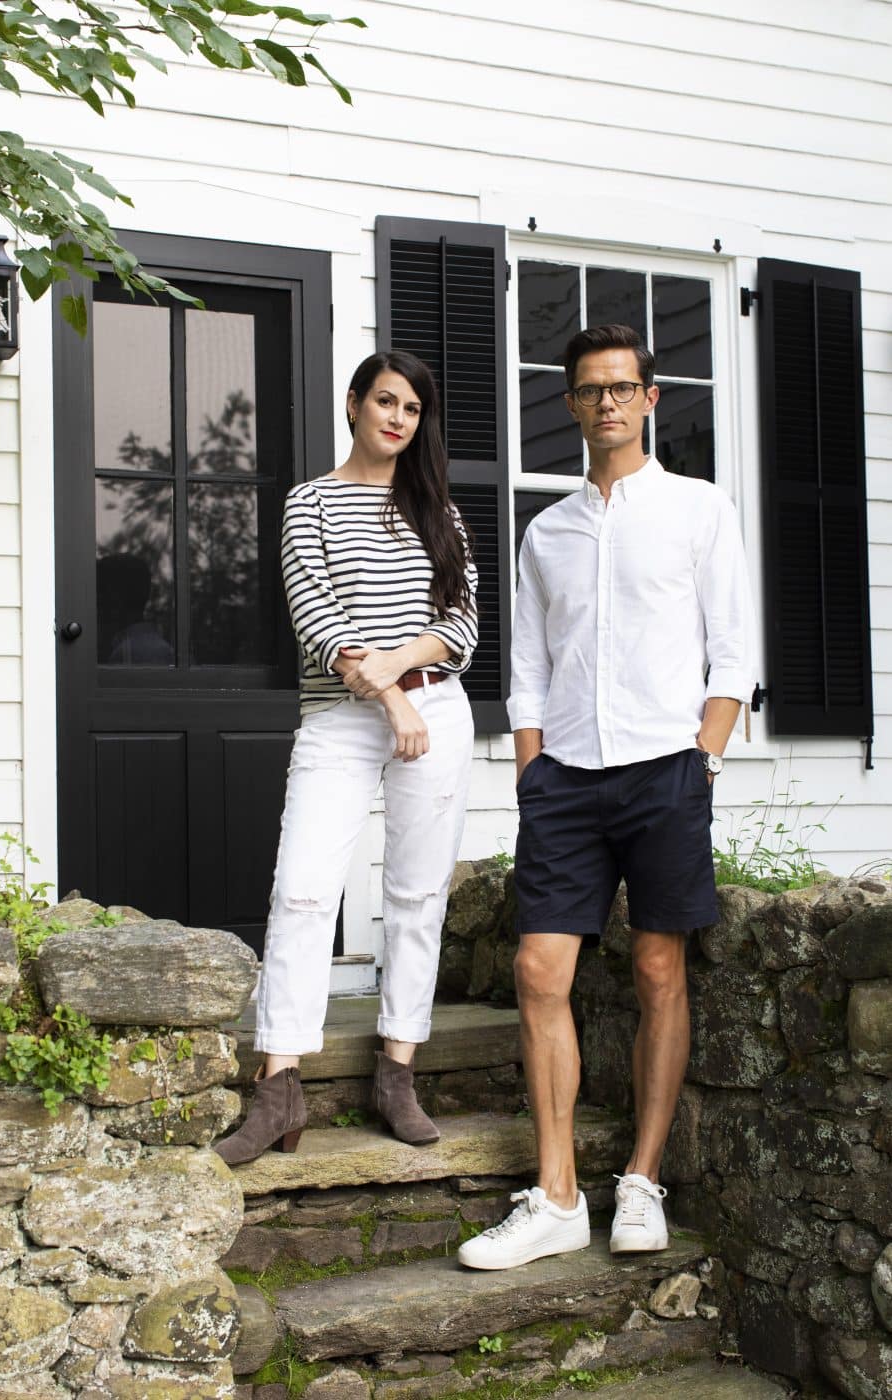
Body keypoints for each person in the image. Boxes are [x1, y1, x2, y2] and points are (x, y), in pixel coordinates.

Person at [458, 324, 755, 1270]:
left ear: (651, 399)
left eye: (623, 388)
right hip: (566, 783)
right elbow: (530, 666)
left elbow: (733, 652)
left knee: (659, 972)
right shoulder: (545, 532)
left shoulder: (700, 510)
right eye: (590, 391)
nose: (608, 404)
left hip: (665, 769)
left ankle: (640, 1181)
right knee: (540, 973)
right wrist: (533, 766)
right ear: (572, 406)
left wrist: (701, 757)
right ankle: (552, 1197)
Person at [215, 350, 477, 1166]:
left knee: (416, 894)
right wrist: (392, 695)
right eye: (385, 402)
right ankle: (279, 1083)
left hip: (437, 709)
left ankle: (396, 1071)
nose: (398, 419)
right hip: (342, 713)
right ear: (355, 403)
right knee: (301, 891)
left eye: (412, 410)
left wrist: (403, 673)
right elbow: (319, 624)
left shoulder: (439, 511)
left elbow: (462, 627)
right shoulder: (311, 504)